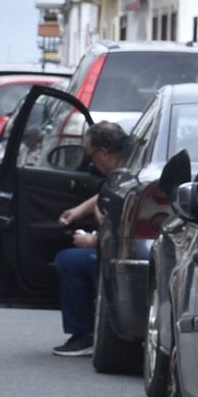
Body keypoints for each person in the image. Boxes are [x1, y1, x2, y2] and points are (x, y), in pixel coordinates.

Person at [49, 120, 130, 358]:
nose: (91, 163)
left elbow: (123, 235)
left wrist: (93, 242)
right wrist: (80, 210)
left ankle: (84, 334)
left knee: (69, 261)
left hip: (118, 253)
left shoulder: (128, 182)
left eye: (91, 156)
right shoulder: (125, 172)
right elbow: (102, 195)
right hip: (114, 247)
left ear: (104, 152)